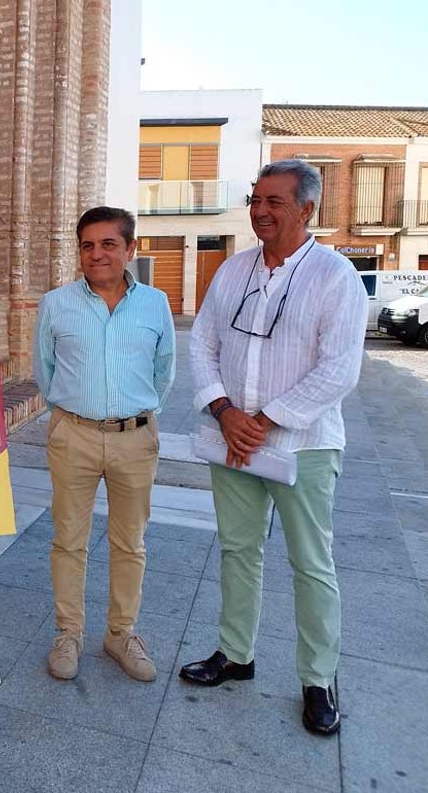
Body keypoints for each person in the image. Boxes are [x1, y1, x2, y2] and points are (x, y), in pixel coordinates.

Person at [181, 159, 367, 736]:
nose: (259, 211)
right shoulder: (233, 271)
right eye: (255, 199)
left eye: (274, 202)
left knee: (311, 565)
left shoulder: (334, 276)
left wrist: (262, 419)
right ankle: (236, 654)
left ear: (306, 210)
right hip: (232, 442)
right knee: (238, 551)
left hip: (304, 446)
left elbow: (340, 369)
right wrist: (225, 411)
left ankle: (318, 679)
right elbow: (202, 345)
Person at [33, 206, 175, 683]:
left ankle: (120, 633)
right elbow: (44, 370)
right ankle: (68, 633)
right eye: (88, 245)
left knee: (129, 542)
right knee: (68, 540)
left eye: (109, 244)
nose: (97, 254)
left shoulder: (154, 304)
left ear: (130, 249)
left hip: (134, 438)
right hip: (72, 434)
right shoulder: (56, 304)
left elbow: (164, 371)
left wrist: (136, 412)